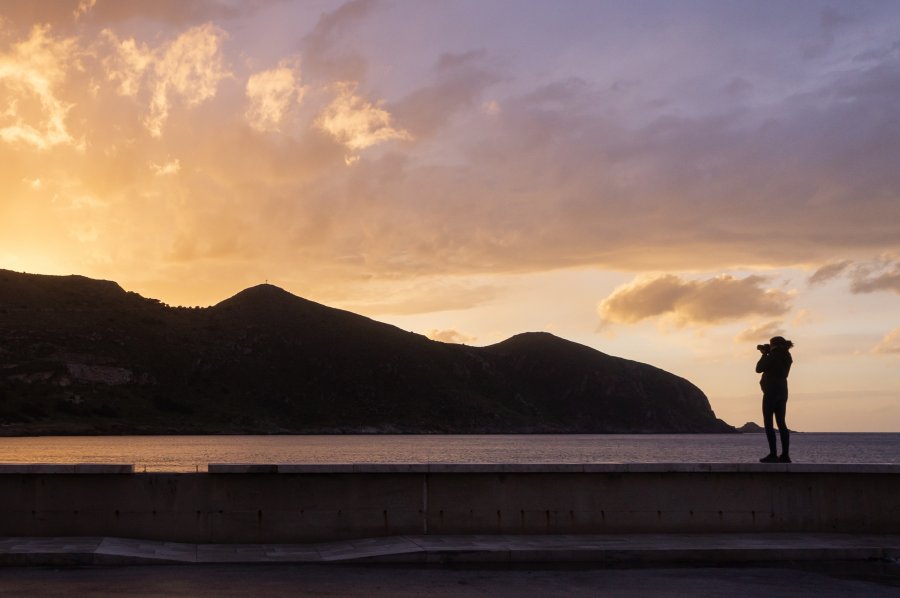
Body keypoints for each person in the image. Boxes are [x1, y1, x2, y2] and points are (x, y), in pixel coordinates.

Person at [756, 336, 794, 463]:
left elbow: (758, 368)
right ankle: (785, 455)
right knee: (781, 423)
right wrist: (768, 353)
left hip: (771, 391)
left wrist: (764, 354)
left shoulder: (773, 355)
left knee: (768, 423)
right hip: (783, 391)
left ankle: (773, 454)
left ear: (774, 345)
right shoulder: (787, 356)